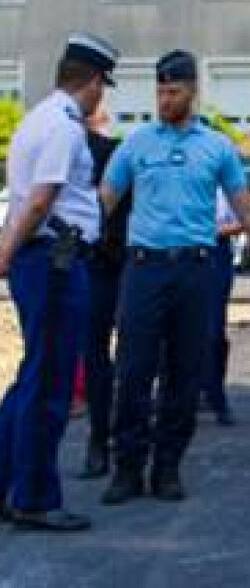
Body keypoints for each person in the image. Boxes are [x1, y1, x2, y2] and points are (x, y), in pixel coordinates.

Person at [99, 49, 250, 505]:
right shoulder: (135, 144)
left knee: (184, 373)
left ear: (193, 91)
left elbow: (246, 209)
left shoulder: (216, 147)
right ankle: (127, 467)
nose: (165, 100)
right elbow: (104, 200)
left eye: (174, 91)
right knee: (132, 371)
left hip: (195, 270)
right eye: (160, 91)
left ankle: (168, 467)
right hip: (144, 270)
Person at [0, 33, 119, 531]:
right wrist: (5, 255)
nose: (102, 98)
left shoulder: (35, 120)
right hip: (56, 262)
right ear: (92, 83)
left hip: (43, 259)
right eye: (102, 87)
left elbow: (22, 200)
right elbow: (42, 199)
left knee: (32, 378)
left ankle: (11, 483)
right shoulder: (65, 129)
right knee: (49, 385)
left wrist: (8, 252)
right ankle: (34, 497)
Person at [79, 105, 132, 479]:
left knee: (100, 353)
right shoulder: (110, 149)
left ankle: (103, 440)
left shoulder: (112, 151)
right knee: (105, 354)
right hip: (106, 262)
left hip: (108, 262)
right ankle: (103, 438)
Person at [200, 188, 242, 427]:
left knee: (214, 330)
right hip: (183, 247)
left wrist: (213, 231)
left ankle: (215, 394)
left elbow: (242, 220)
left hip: (215, 248)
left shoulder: (222, 183)